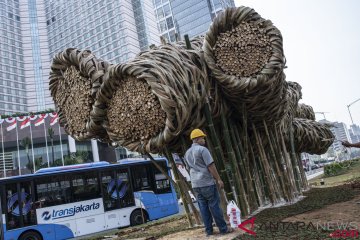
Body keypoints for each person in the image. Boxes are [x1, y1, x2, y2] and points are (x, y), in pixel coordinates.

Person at [184, 129, 233, 236]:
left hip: (196, 185)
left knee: (203, 208)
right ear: (197, 139)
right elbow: (211, 166)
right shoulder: (203, 150)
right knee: (214, 205)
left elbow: (188, 168)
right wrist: (218, 179)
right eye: (202, 138)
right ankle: (223, 229)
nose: (204, 140)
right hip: (207, 183)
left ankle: (209, 231)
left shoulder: (187, 153)